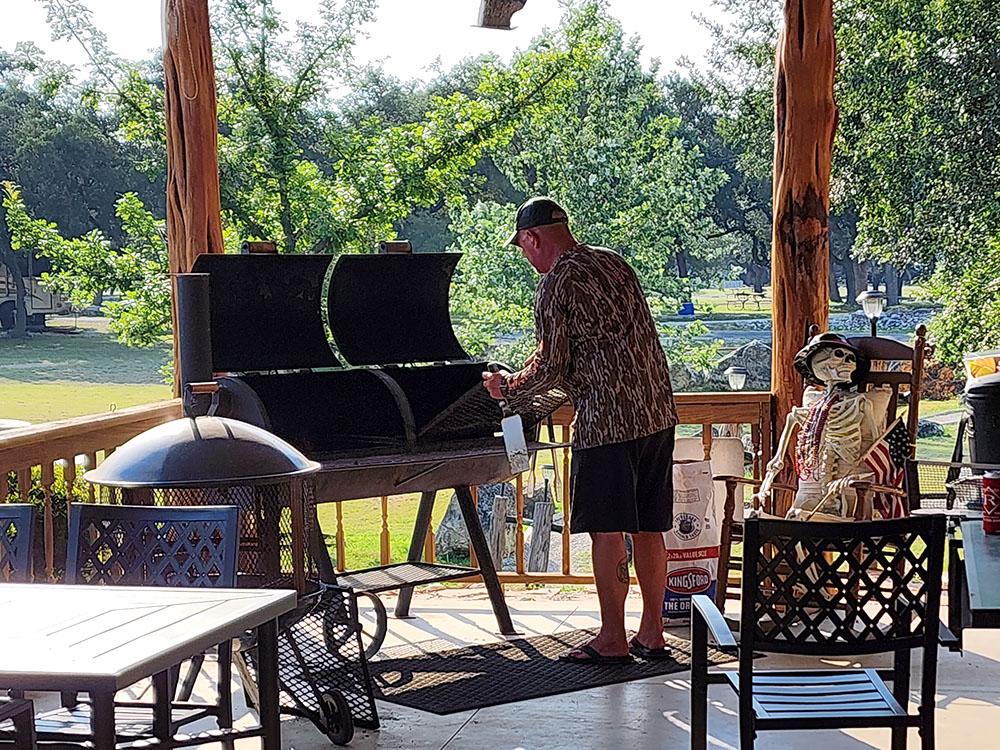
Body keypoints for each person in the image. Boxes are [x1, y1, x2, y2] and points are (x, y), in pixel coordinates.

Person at [482, 197, 678, 663]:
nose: (526, 257)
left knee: (607, 531)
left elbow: (551, 365)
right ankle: (652, 633)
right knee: (650, 528)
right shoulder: (615, 263)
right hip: (656, 412)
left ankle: (612, 638)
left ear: (531, 238)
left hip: (608, 421)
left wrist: (506, 386)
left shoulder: (556, 282)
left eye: (523, 247)